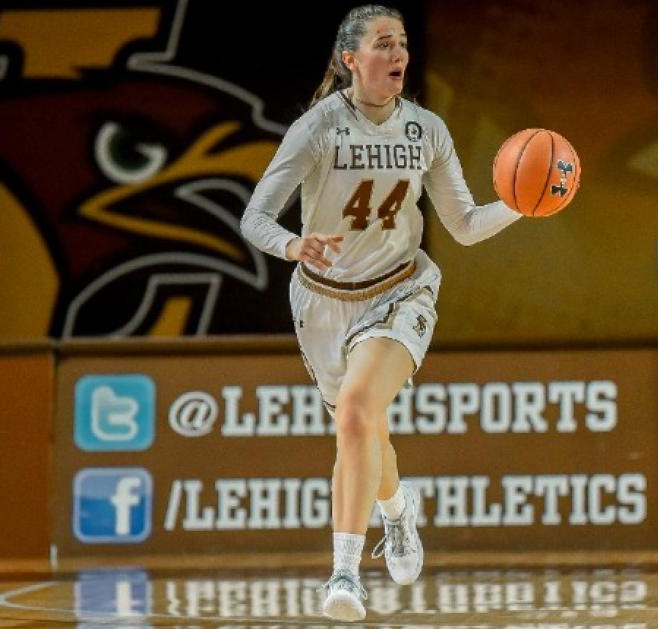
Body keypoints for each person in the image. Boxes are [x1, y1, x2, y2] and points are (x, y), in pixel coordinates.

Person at [241, 4, 529, 622]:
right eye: (383, 43)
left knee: (356, 411)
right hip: (322, 301)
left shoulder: (428, 130)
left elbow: (464, 225)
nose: (398, 53)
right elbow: (255, 217)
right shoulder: (317, 128)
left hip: (400, 291)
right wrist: (293, 245)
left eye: (402, 43)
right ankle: (398, 511)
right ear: (351, 60)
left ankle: (344, 574)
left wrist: (521, 205)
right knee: (362, 431)